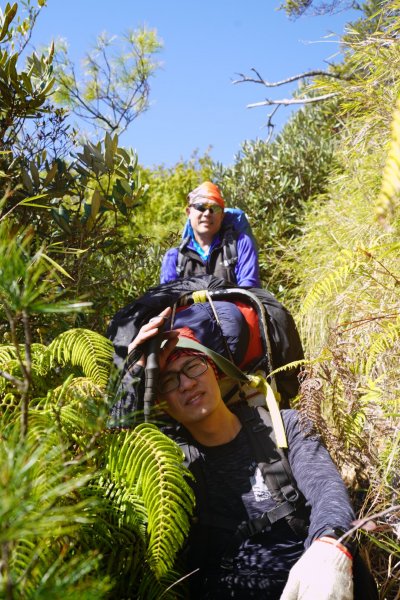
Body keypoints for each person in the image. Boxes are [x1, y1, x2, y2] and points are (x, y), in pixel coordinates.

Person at [110, 308, 378, 600]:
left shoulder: (284, 426)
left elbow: (327, 491)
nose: (186, 383)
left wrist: (329, 549)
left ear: (214, 370)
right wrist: (134, 374)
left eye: (193, 367)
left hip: (310, 584)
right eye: (169, 381)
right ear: (162, 401)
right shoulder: (169, 462)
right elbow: (118, 461)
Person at [160, 181, 261, 287]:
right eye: (201, 207)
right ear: (189, 212)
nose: (207, 213)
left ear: (222, 216)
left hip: (235, 303)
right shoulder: (174, 257)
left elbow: (249, 287)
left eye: (215, 208)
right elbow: (166, 297)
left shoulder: (241, 244)